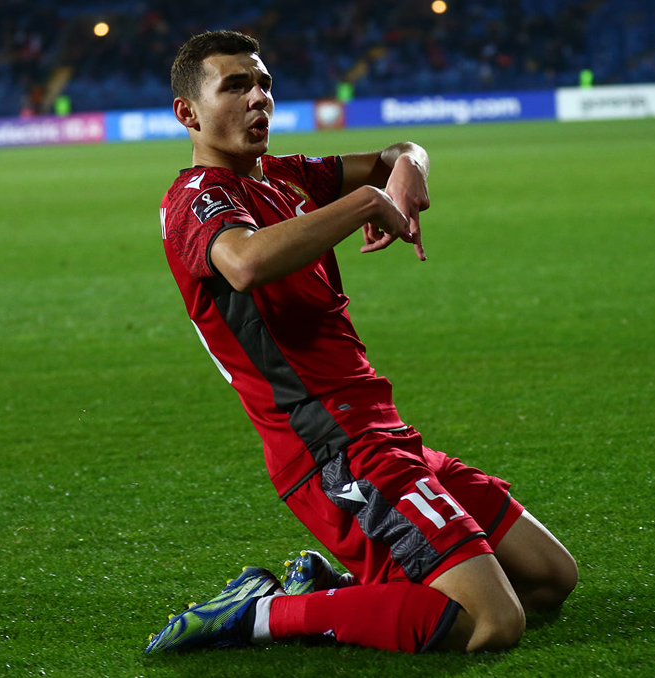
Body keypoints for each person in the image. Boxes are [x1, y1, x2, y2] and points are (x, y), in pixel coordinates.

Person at [146, 29, 577, 655]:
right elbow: (243, 261)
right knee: (492, 622)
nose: (258, 99)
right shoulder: (196, 198)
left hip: (384, 431)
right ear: (188, 113)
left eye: (264, 84)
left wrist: (408, 171)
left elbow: (401, 150)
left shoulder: (287, 177)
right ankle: (260, 612)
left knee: (549, 579)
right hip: (329, 447)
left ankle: (336, 589)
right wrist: (367, 202)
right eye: (235, 87)